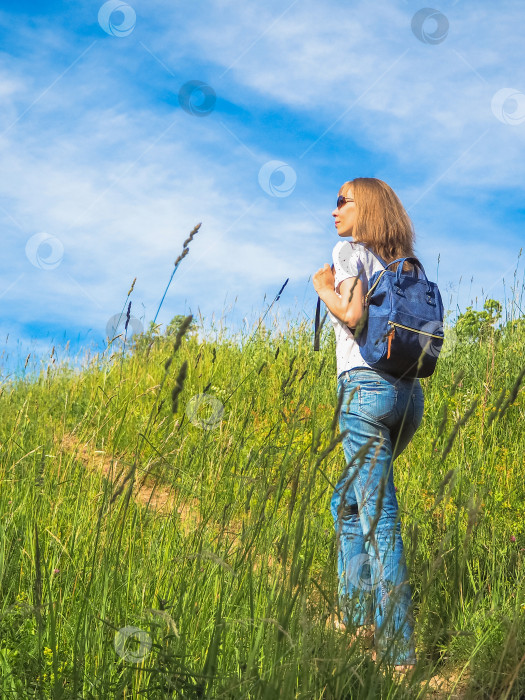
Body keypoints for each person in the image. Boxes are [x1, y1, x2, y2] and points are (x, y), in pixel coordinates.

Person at [312, 177, 425, 675]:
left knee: (380, 519)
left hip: (365, 392)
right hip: (408, 396)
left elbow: (353, 314)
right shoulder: (399, 264)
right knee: (348, 502)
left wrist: (320, 287)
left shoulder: (348, 253)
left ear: (367, 209)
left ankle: (398, 655)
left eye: (343, 201)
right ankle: (356, 620)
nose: (334, 209)